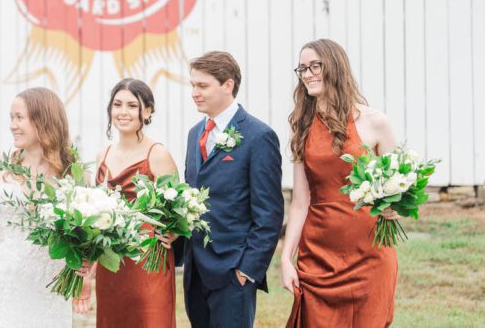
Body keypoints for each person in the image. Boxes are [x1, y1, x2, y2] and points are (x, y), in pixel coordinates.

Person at [281, 39, 398, 327]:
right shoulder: (302, 126)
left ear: (334, 67)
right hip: (319, 255)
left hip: (370, 253)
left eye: (314, 66)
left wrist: (394, 208)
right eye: (302, 69)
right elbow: (299, 202)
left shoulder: (376, 122)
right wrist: (286, 258)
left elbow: (398, 188)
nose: (307, 74)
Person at [182, 51, 283, 328]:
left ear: (228, 85)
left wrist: (246, 270)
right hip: (196, 273)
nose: (194, 93)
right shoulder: (194, 134)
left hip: (232, 272)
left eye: (202, 86)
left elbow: (269, 213)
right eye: (192, 85)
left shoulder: (259, 136)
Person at [0, 87, 76, 328]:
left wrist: (84, 267)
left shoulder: (72, 174)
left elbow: (79, 242)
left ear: (43, 120)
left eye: (20, 118)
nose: (13, 125)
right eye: (11, 117)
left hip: (49, 290)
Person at [87, 79, 178, 328]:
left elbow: (179, 211)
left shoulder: (157, 155)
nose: (122, 112)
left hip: (147, 262)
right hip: (111, 262)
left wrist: (173, 232)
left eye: (131, 105)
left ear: (147, 111)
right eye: (117, 105)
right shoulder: (102, 155)